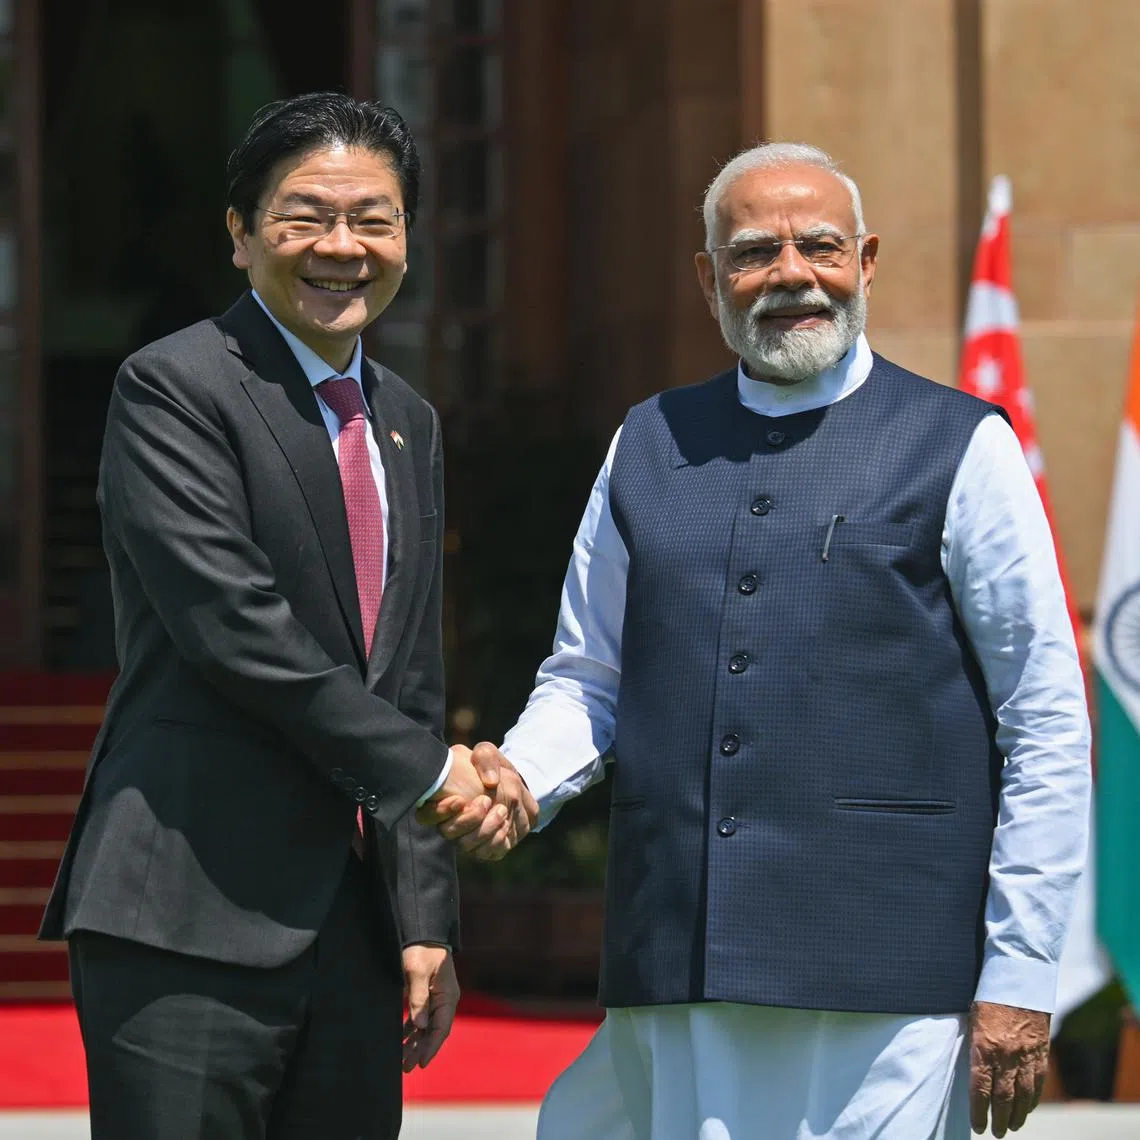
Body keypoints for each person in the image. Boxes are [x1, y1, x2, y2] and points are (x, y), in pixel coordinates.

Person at [425, 143, 1091, 1139]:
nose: (790, 273)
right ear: (708, 278)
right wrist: (522, 777)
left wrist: (1021, 972)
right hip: (678, 961)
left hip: (892, 977)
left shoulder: (963, 444)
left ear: (865, 261)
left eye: (818, 246)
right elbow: (590, 676)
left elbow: (1043, 726)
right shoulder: (647, 440)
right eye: (753, 252)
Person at [39, 92, 533, 1140]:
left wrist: (424, 914)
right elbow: (233, 624)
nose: (341, 247)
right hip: (185, 909)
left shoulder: (407, 422)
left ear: (408, 237)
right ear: (239, 234)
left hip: (352, 932)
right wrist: (436, 778)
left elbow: (409, 679)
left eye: (374, 219)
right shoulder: (173, 388)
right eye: (305, 216)